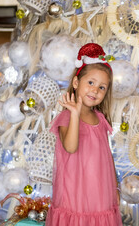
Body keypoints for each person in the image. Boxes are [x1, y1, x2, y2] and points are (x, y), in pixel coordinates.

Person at [45, 43, 122, 226]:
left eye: (102, 87)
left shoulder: (100, 119)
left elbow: (107, 157)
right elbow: (70, 147)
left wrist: (115, 188)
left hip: (100, 195)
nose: (95, 90)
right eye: (91, 83)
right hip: (74, 194)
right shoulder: (67, 116)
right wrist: (74, 114)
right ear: (76, 82)